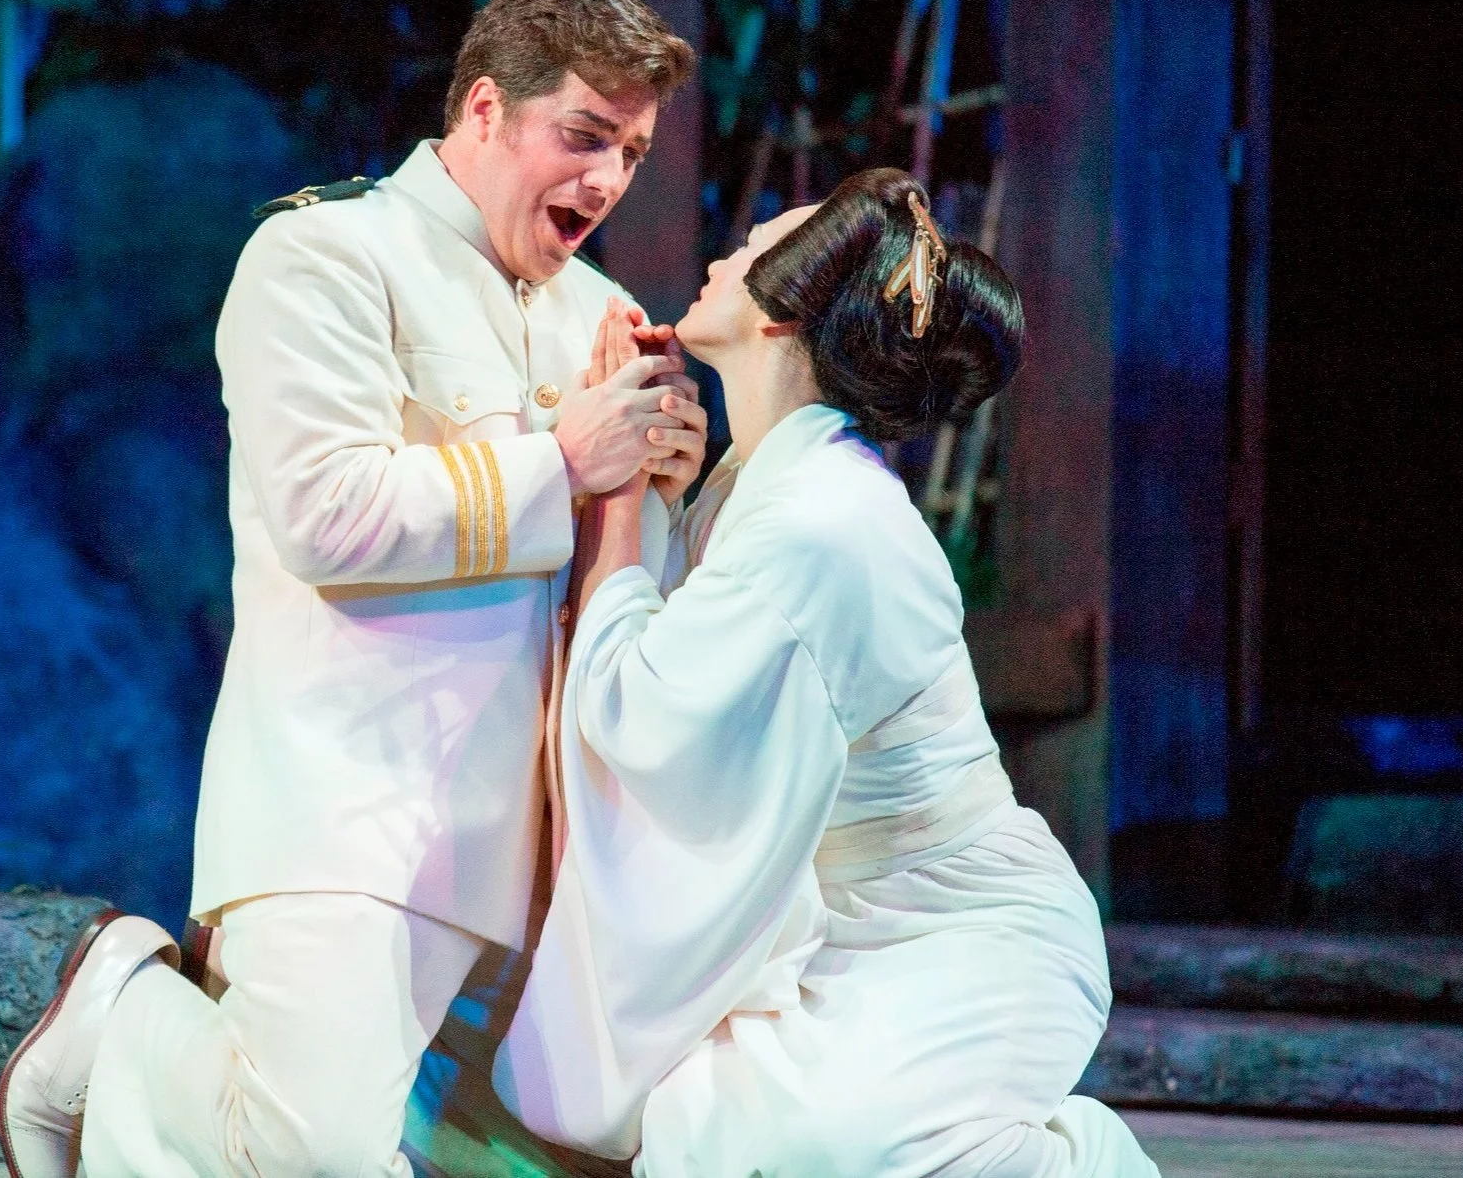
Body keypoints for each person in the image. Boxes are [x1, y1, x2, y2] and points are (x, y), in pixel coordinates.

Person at [0, 0, 711, 1178]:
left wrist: (667, 497)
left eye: (631, 154)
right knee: (307, 1156)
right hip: (353, 818)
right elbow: (326, 515)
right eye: (584, 136)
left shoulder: (600, 306)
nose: (605, 180)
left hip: (537, 850)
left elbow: (618, 597)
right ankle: (124, 1007)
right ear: (486, 107)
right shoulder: (325, 257)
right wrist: (564, 461)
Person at [492, 168, 1160, 1178]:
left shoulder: (824, 519)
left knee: (825, 1147)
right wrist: (667, 494)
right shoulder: (770, 481)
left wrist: (619, 496)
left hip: (965, 928)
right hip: (855, 929)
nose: (724, 253)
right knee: (712, 1124)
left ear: (780, 317)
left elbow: (648, 717)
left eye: (753, 246)